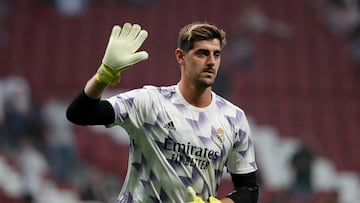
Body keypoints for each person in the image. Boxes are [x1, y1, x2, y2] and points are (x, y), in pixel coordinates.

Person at [66, 22, 259, 203]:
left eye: (216, 54)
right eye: (202, 53)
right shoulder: (150, 102)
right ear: (180, 56)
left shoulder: (234, 118)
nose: (211, 62)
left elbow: (249, 189)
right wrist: (105, 74)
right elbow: (79, 114)